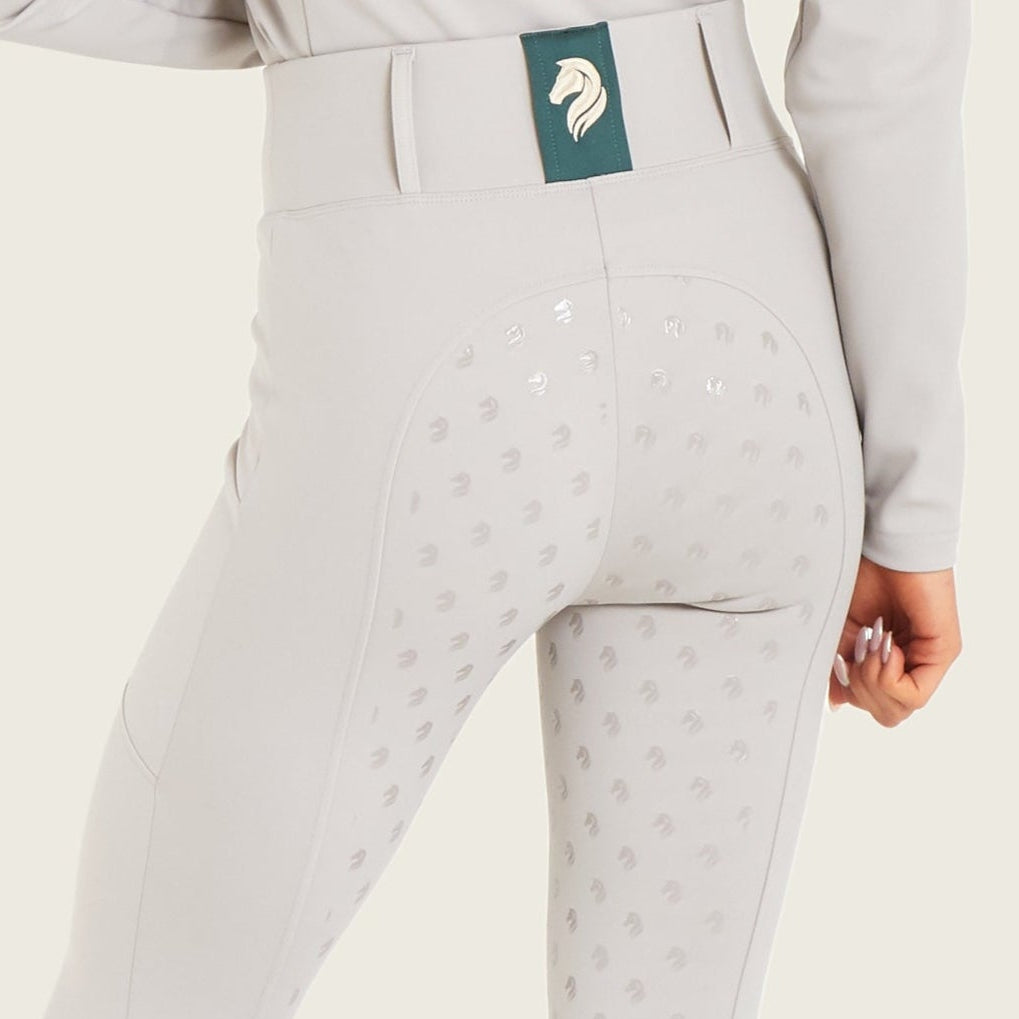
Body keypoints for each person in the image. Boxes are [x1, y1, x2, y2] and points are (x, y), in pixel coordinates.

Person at [1, 0, 969, 1015]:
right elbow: (889, 53)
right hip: (742, 354)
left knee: (153, 987)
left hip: (418, 334)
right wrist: (908, 506)